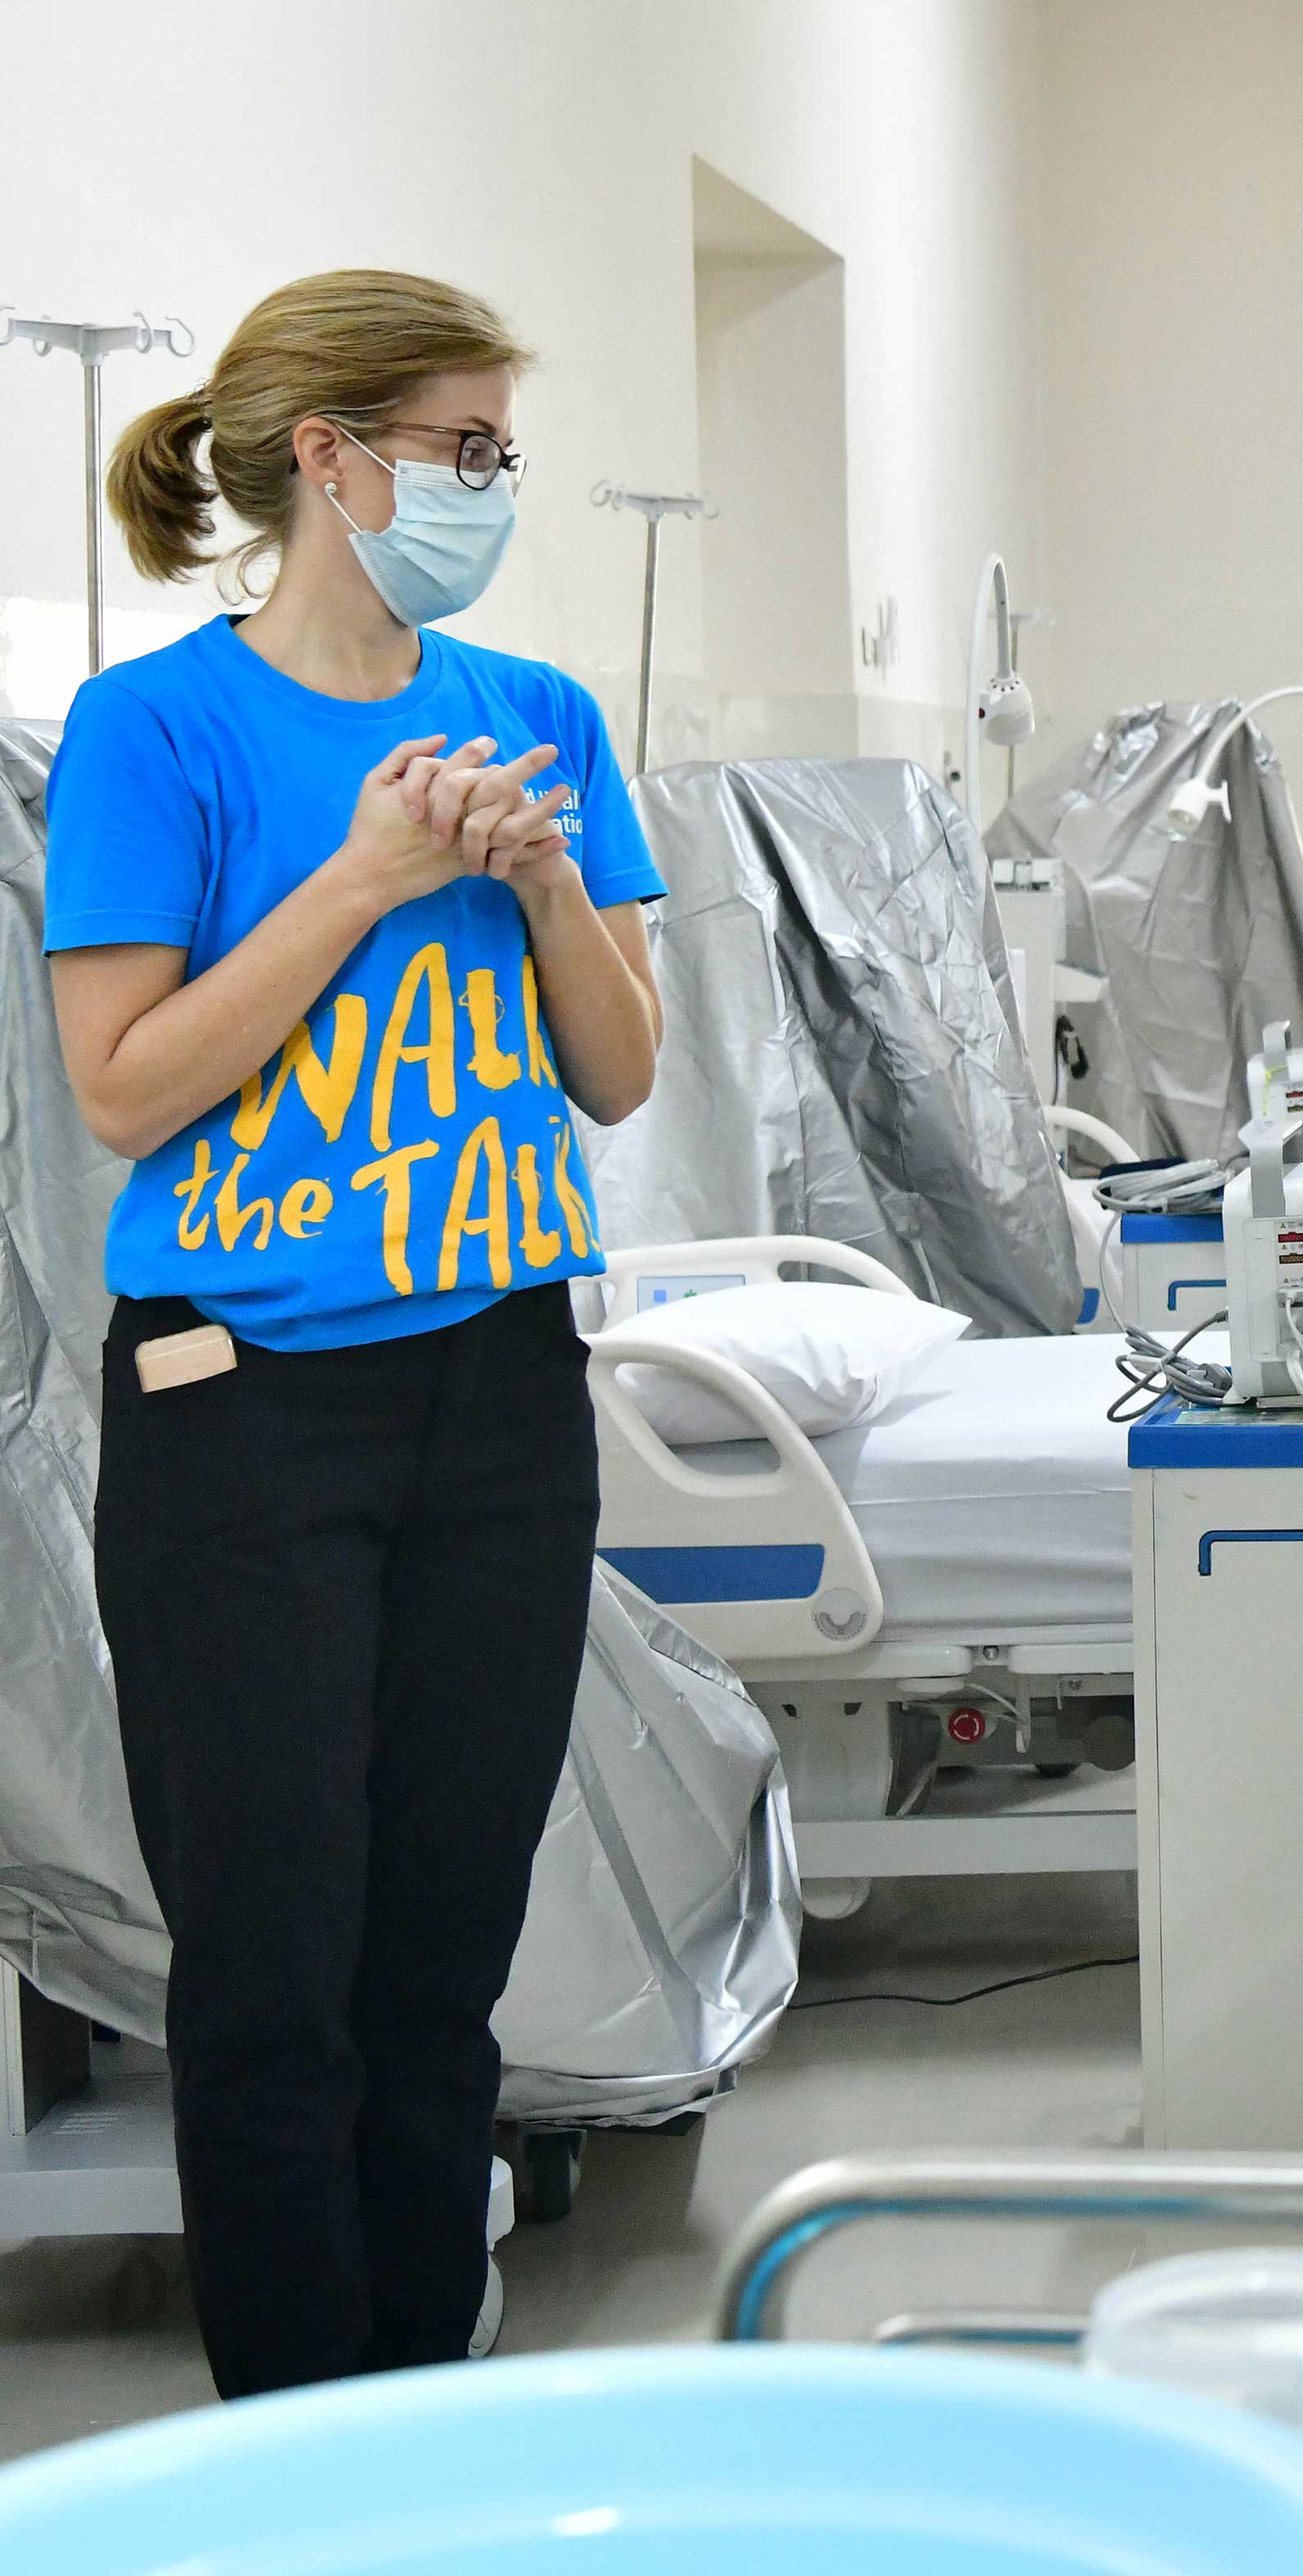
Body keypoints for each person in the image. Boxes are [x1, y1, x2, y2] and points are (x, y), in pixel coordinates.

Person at [42, 270, 665, 2393]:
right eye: (463, 448)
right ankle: (301, 2462)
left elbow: (620, 1073)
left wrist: (543, 882)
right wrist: (370, 873)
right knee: (272, 1979)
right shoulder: (156, 730)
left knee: (439, 1968)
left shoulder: (538, 710)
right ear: (332, 457)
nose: (493, 485)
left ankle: (426, 2420)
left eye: (502, 450)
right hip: (242, 1417)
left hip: (501, 1393)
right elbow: (123, 1089)